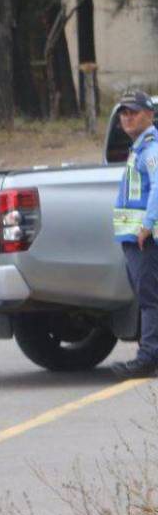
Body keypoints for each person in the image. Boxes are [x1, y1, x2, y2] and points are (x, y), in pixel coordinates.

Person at [112, 90, 158, 378]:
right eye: (123, 112)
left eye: (134, 112)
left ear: (150, 115)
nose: (127, 117)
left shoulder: (151, 149)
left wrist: (147, 225)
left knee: (149, 299)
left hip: (144, 240)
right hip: (134, 240)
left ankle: (148, 357)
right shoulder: (139, 148)